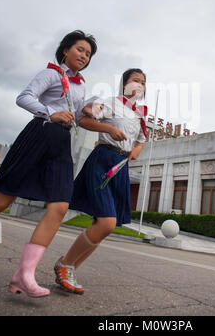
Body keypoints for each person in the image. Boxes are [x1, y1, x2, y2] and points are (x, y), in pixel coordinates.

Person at [0, 30, 126, 298]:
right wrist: (50, 112)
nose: (84, 56)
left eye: (88, 54)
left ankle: (23, 276)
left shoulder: (80, 86)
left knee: (59, 205)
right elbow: (24, 97)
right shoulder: (51, 74)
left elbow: (77, 117)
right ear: (66, 50)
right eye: (80, 49)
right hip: (39, 134)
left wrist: (89, 113)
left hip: (61, 144)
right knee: (3, 199)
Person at [54, 68, 147, 294]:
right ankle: (65, 265)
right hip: (104, 159)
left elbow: (142, 139)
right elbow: (84, 118)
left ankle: (69, 267)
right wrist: (108, 128)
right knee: (106, 222)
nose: (139, 85)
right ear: (124, 84)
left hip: (121, 166)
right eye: (135, 80)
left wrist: (135, 151)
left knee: (107, 226)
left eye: (143, 83)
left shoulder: (139, 114)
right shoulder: (111, 103)